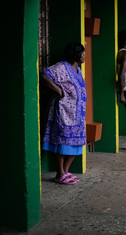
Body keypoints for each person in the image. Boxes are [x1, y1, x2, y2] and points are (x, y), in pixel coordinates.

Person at [40, 42, 87, 185]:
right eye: (82, 53)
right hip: (64, 111)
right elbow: (44, 74)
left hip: (77, 114)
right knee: (62, 141)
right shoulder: (62, 67)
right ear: (76, 54)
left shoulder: (77, 69)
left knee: (77, 142)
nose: (84, 56)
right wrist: (58, 90)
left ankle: (65, 171)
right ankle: (60, 173)